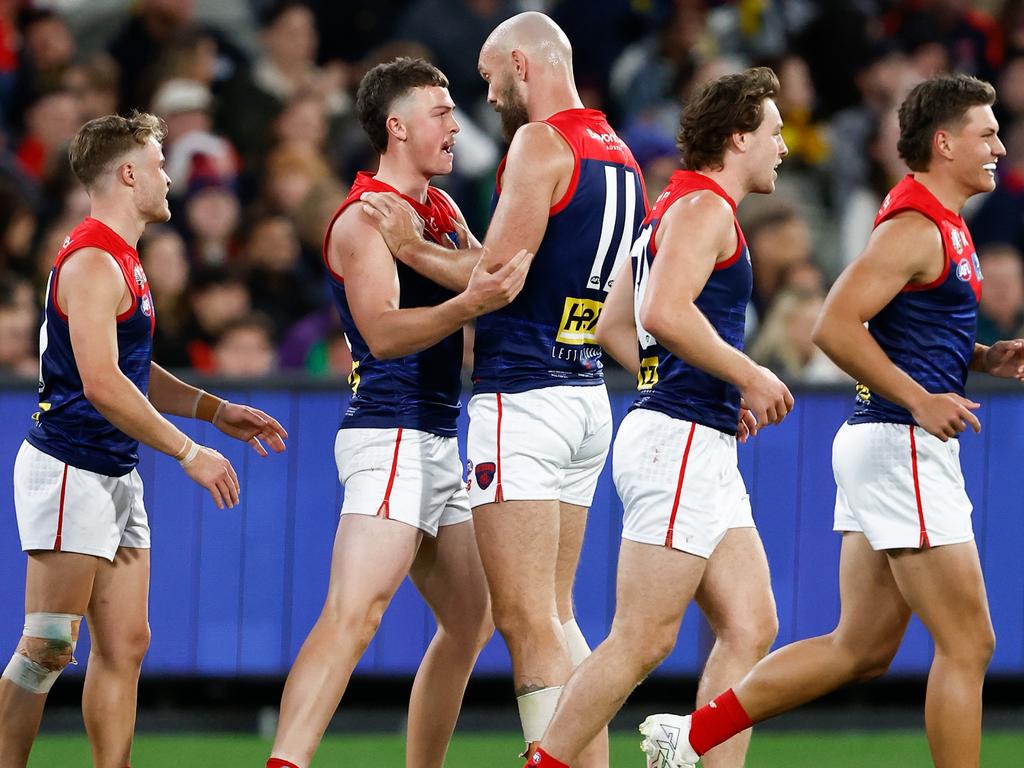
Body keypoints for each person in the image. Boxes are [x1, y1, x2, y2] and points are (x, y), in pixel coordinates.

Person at [638, 73, 1024, 768]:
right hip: (900, 441)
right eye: (986, 132)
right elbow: (835, 327)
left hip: (886, 442)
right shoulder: (914, 227)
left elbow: (904, 334)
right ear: (944, 143)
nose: (1000, 144)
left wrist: (981, 357)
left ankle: (691, 736)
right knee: (970, 645)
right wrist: (919, 398)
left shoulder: (942, 224)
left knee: (862, 648)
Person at [361, 13, 647, 764]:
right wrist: (469, 248)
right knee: (557, 615)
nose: (487, 97)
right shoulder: (620, 155)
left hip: (522, 399)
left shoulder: (540, 142)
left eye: (489, 77)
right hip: (587, 393)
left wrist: (410, 246)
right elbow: (538, 271)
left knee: (524, 622)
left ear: (522, 64)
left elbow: (498, 285)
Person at [265, 58, 532, 768]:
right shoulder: (363, 218)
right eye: (440, 112)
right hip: (392, 433)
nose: (454, 124)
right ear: (397, 126)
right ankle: (283, 762)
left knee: (473, 620)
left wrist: (469, 284)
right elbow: (382, 333)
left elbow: (495, 272)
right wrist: (468, 304)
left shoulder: (438, 210)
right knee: (355, 615)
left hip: (437, 433)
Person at [0, 111, 288, 768]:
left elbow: (131, 371)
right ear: (129, 173)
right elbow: (102, 384)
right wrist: (189, 451)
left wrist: (213, 410)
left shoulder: (120, 256)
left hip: (111, 471)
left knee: (127, 642)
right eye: (159, 164)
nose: (168, 177)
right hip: (71, 467)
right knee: (46, 646)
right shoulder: (96, 261)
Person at [526, 67, 794, 768]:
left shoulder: (673, 207)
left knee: (751, 623)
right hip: (677, 442)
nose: (784, 148)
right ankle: (544, 761)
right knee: (642, 639)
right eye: (773, 132)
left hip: (688, 435)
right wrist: (747, 372)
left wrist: (697, 379)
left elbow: (615, 324)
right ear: (738, 137)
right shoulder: (706, 209)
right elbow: (659, 313)